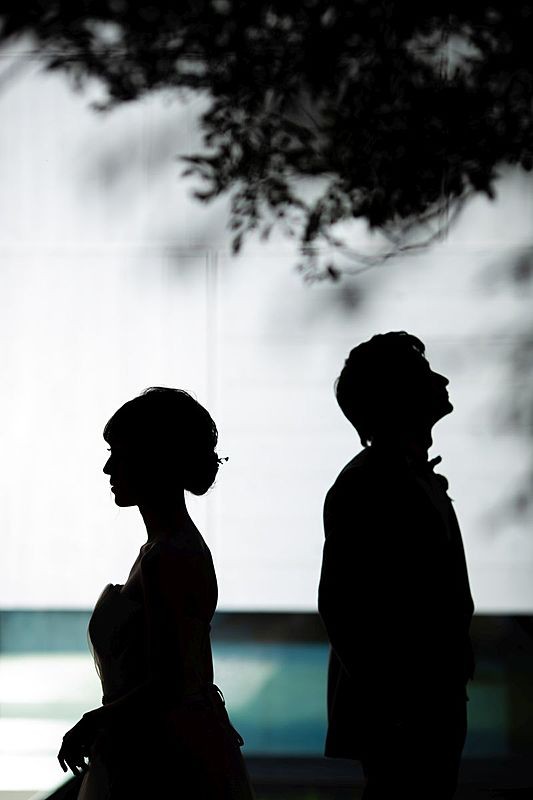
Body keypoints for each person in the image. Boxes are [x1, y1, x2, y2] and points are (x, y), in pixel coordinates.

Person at [57, 387, 255, 800]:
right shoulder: (164, 551)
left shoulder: (169, 557)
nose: (108, 468)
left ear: (153, 460)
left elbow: (171, 682)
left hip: (166, 762)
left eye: (118, 454)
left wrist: (95, 721)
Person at [318, 332, 475, 799]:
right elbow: (342, 607)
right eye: (425, 375)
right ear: (398, 396)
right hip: (409, 711)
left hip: (427, 702)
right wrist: (396, 708)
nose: (443, 380)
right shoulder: (370, 484)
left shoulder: (399, 476)